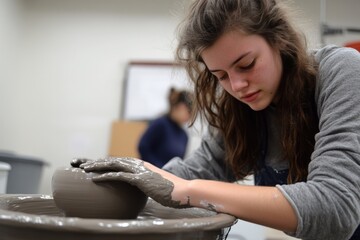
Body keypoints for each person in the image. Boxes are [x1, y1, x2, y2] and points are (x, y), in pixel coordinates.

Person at [71, 0, 360, 239]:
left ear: (278, 39)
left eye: (246, 65)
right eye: (220, 75)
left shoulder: (340, 71)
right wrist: (130, 181)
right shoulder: (240, 108)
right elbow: (197, 170)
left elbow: (336, 207)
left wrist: (189, 192)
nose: (236, 86)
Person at [137, 87, 193, 168]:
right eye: (189, 112)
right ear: (180, 107)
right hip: (150, 173)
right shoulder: (160, 124)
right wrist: (159, 169)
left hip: (169, 176)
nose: (190, 117)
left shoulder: (184, 135)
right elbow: (143, 147)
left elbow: (179, 161)